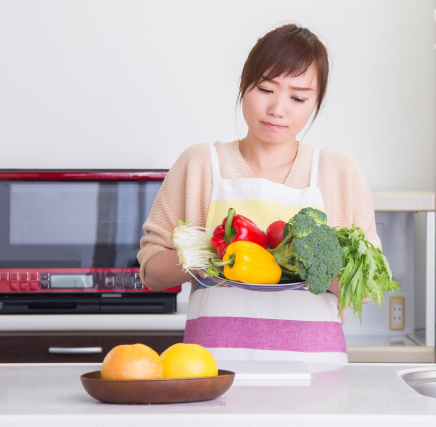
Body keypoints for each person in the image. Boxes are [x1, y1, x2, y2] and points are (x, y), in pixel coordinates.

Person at [137, 23, 380, 364]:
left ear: (316, 103)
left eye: (298, 97)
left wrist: (313, 268)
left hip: (316, 367)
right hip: (213, 367)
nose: (278, 108)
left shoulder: (338, 170)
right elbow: (150, 271)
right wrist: (205, 256)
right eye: (266, 88)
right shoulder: (201, 164)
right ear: (243, 85)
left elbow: (367, 286)